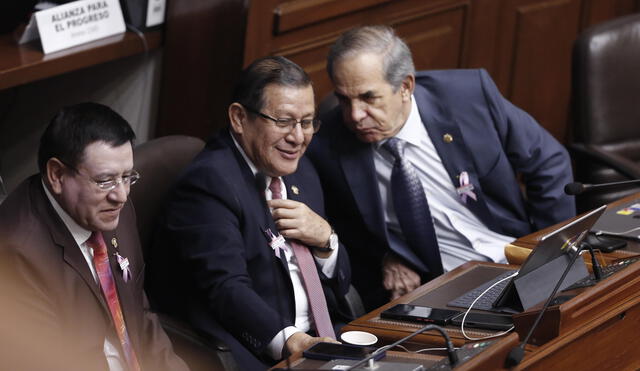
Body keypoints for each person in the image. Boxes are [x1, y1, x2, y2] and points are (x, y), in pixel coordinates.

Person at [307, 25, 576, 310]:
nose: (355, 115)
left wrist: (548, 254)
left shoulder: (469, 97)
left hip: (518, 253)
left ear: (405, 87)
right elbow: (339, 227)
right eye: (343, 99)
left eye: (368, 98)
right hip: (448, 288)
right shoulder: (328, 145)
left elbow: (548, 162)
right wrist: (386, 257)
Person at [147, 56, 351, 369]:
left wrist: (327, 241)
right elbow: (227, 290)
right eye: (283, 122)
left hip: (327, 337)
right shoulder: (208, 185)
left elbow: (339, 285)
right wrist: (296, 341)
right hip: (260, 352)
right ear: (239, 118)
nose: (298, 137)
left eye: (307, 122)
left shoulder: (301, 168)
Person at [0, 103, 188, 370]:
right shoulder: (16, 253)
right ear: (57, 175)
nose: (121, 195)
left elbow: (140, 317)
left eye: (127, 177)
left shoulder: (112, 209)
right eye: (105, 180)